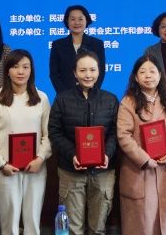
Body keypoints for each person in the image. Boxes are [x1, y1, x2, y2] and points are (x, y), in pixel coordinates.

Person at [48, 50, 118, 235]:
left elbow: (115, 132)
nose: (88, 75)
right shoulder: (62, 99)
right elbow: (54, 132)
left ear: (99, 71)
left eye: (93, 70)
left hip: (103, 172)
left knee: (98, 228)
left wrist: (106, 154)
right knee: (73, 228)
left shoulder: (110, 99)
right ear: (74, 73)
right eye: (83, 70)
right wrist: (73, 154)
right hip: (71, 171)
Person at [117, 54, 166, 235]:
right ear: (135, 77)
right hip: (139, 169)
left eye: (152, 71)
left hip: (165, 166)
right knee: (143, 223)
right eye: (142, 72)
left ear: (160, 75)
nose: (148, 75)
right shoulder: (128, 102)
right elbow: (123, 135)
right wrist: (144, 159)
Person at [0, 49, 52, 235]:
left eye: (25, 67)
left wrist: (40, 159)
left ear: (31, 71)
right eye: (15, 67)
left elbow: (49, 135)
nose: (20, 71)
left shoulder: (41, 98)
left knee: (33, 220)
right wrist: (1, 164)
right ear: (7, 71)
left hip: (35, 168)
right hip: (7, 169)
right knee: (9, 221)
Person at [49, 5, 106, 94]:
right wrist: (65, 95)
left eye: (80, 19)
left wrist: (91, 93)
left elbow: (101, 71)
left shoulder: (97, 44)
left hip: (91, 96)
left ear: (86, 20)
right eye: (73, 19)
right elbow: (54, 74)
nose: (77, 22)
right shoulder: (58, 45)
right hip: (65, 97)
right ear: (67, 21)